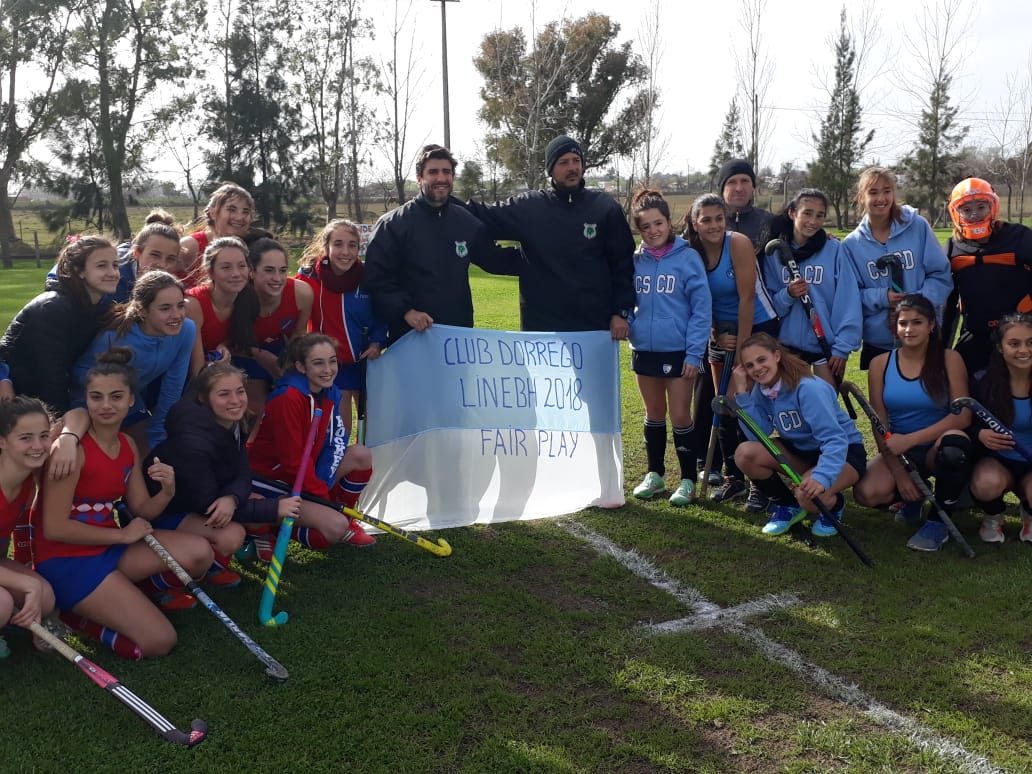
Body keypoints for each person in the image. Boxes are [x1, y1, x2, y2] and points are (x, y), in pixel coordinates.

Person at [33, 349, 213, 658]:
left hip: (108, 548)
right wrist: (121, 535)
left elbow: (142, 509)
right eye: (96, 397)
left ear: (131, 400)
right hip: (67, 560)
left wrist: (166, 492)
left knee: (200, 553)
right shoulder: (72, 450)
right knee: (159, 641)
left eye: (116, 397)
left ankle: (127, 597)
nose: (105, 405)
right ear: (86, 399)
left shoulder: (128, 444)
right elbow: (54, 528)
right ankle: (76, 617)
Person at [461, 134, 636, 335]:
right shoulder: (530, 207)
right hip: (542, 333)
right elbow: (483, 215)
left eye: (576, 161)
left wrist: (620, 311)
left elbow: (623, 265)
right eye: (563, 162)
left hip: (593, 329)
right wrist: (443, 204)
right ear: (550, 170)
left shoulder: (604, 208)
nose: (572, 167)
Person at [146, 362, 292, 599]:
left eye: (240, 391)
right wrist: (273, 508)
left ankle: (209, 569)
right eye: (224, 394)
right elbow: (205, 504)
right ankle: (153, 586)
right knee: (232, 534)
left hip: (200, 500)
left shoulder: (233, 421)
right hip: (164, 511)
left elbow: (243, 472)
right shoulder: (193, 441)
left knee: (252, 505)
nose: (235, 400)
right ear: (204, 399)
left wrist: (232, 498)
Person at [364, 144, 521, 343]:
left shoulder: (466, 222)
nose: (441, 178)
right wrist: (406, 311)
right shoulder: (393, 224)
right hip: (410, 337)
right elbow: (376, 278)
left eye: (446, 172)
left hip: (457, 337)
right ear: (419, 178)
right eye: (433, 172)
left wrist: (545, 252)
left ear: (453, 177)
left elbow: (495, 259)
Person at [852, 295, 972, 552]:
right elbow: (879, 422)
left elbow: (962, 416)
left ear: (931, 325)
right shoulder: (880, 364)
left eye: (917, 322)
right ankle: (916, 494)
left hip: (937, 446)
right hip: (900, 451)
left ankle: (938, 522)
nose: (909, 329)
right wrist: (900, 475)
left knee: (954, 449)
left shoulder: (949, 359)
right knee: (867, 492)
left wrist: (911, 439)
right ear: (895, 327)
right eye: (903, 323)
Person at [684, 193, 779, 509]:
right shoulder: (692, 251)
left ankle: (760, 484)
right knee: (724, 402)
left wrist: (742, 352)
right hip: (721, 330)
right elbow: (697, 298)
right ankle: (733, 478)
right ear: (695, 223)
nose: (714, 225)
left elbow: (747, 299)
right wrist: (715, 333)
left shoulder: (737, 243)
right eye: (706, 220)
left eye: (719, 218)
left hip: (757, 325)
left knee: (748, 401)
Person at [247, 333, 376, 553]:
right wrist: (322, 498)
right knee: (334, 528)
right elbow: (293, 462)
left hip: (305, 472)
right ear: (301, 366)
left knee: (360, 455)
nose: (328, 370)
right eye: (318, 363)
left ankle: (342, 517)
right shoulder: (287, 398)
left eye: (332, 361)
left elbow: (336, 443)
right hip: (272, 480)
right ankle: (269, 526)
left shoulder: (329, 392)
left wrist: (322, 491)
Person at [731, 333, 867, 537]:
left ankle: (835, 505)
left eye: (761, 359)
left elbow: (834, 439)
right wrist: (742, 394)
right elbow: (758, 434)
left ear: (777, 356)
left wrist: (821, 476)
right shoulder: (762, 389)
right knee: (745, 453)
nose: (757, 368)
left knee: (807, 496)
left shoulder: (808, 388)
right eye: (749, 365)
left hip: (843, 452)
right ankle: (788, 506)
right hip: (803, 451)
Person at [627, 188, 712, 506]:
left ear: (669, 222)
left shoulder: (688, 258)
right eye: (645, 226)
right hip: (644, 349)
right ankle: (655, 474)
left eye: (658, 223)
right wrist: (630, 324)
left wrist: (694, 353)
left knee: (679, 415)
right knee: (653, 414)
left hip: (679, 352)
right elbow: (626, 300)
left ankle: (688, 479)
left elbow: (702, 310)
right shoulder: (635, 260)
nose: (653, 230)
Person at [69, 271, 196, 453]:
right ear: (142, 310)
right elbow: (81, 376)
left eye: (180, 305)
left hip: (129, 399)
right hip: (92, 400)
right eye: (165, 308)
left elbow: (173, 385)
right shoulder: (115, 339)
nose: (177, 315)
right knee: (103, 453)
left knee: (148, 452)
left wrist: (157, 433)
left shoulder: (186, 330)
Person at [0, 235, 118, 426]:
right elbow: (52, 375)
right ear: (79, 271)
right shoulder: (53, 307)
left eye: (115, 265)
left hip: (41, 396)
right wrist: (60, 422)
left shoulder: (101, 308)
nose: (113, 272)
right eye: (101, 266)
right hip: (16, 396)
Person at [842, 167, 953, 368]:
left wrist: (915, 304)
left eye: (887, 191)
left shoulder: (918, 226)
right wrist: (881, 297)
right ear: (861, 197)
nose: (881, 198)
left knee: (929, 388)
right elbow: (850, 295)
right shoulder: (851, 245)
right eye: (873, 192)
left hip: (922, 336)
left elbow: (941, 276)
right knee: (883, 388)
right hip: (879, 342)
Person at [761, 188, 861, 387]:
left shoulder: (833, 249)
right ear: (792, 213)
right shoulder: (775, 253)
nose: (813, 221)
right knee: (793, 402)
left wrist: (842, 347)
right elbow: (769, 306)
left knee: (825, 401)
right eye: (807, 213)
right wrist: (788, 294)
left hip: (825, 346)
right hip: (788, 346)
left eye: (820, 215)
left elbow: (848, 299)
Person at [297, 222, 383, 439]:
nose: (345, 252)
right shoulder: (308, 277)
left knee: (374, 428)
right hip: (333, 367)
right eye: (338, 244)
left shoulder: (369, 276)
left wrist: (377, 341)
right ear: (325, 246)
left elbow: (383, 314)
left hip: (366, 363)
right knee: (340, 431)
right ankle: (340, 461)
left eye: (352, 245)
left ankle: (369, 461)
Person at [942, 177, 1032, 375]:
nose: (974, 214)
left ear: (993, 206)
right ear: (955, 213)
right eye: (966, 209)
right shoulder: (952, 249)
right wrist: (941, 348)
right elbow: (948, 304)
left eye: (981, 207)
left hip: (1022, 334)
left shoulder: (1020, 237)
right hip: (977, 335)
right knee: (961, 380)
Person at [967, 313, 1032, 543]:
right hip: (998, 461)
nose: (1023, 350)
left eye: (1030, 342)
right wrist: (980, 433)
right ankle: (994, 514)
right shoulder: (982, 381)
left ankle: (1029, 513)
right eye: (1014, 344)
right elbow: (965, 424)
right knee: (986, 484)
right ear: (1000, 348)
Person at [0, 397, 57, 656]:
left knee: (45, 597)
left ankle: (12, 624)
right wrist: (26, 584)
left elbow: (77, 416)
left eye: (44, 436)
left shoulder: (28, 479)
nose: (37, 446)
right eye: (25, 438)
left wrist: (69, 439)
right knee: (3, 603)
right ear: (3, 442)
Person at [184, 236, 251, 376]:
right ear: (210, 272)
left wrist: (225, 345)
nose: (236, 274)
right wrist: (213, 365)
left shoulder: (248, 299)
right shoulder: (194, 304)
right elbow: (196, 370)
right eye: (226, 267)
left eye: (242, 266)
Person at [179, 183, 255, 284]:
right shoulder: (190, 246)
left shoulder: (252, 247)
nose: (239, 217)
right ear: (213, 213)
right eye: (231, 210)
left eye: (245, 212)